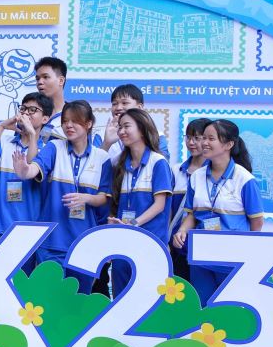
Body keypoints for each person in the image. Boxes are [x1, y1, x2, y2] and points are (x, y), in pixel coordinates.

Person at [13, 100, 111, 292]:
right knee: (48, 298)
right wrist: (25, 171)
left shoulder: (102, 157)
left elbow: (104, 197)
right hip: (52, 241)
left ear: (89, 123)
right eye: (65, 121)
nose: (68, 125)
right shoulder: (54, 147)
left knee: (79, 300)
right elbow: (36, 167)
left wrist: (87, 198)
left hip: (85, 242)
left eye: (75, 121)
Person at [172, 119, 264, 303]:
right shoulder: (197, 177)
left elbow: (257, 222)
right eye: (204, 138)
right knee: (202, 306)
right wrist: (182, 230)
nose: (204, 143)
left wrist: (250, 253)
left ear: (229, 144)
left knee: (229, 308)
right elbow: (191, 214)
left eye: (211, 138)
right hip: (200, 255)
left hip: (233, 256)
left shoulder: (244, 179)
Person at [0, 92, 52, 258]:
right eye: (23, 109)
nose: (25, 113)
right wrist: (1, 127)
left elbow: (32, 166)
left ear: (45, 118)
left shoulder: (49, 149)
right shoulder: (6, 142)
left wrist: (32, 135)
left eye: (33, 110)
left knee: (23, 275)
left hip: (27, 229)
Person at [107, 108, 173, 296]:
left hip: (150, 242)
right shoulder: (120, 163)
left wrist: (134, 224)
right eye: (120, 127)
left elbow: (159, 205)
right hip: (124, 241)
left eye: (127, 126)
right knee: (121, 296)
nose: (121, 131)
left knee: (149, 297)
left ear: (143, 129)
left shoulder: (158, 162)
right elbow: (115, 202)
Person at [168, 117, 212, 280]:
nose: (191, 143)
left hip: (203, 243)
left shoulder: (213, 173)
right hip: (176, 242)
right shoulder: (176, 170)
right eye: (188, 137)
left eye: (197, 138)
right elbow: (167, 208)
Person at [100, 84, 170, 161]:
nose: (118, 108)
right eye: (114, 104)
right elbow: (94, 165)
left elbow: (163, 162)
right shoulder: (101, 135)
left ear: (139, 107)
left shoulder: (156, 135)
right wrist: (106, 143)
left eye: (124, 103)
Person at [34, 56, 67, 140]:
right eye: (37, 79)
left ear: (61, 81)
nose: (40, 82)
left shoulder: (76, 115)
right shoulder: (30, 113)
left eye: (45, 77)